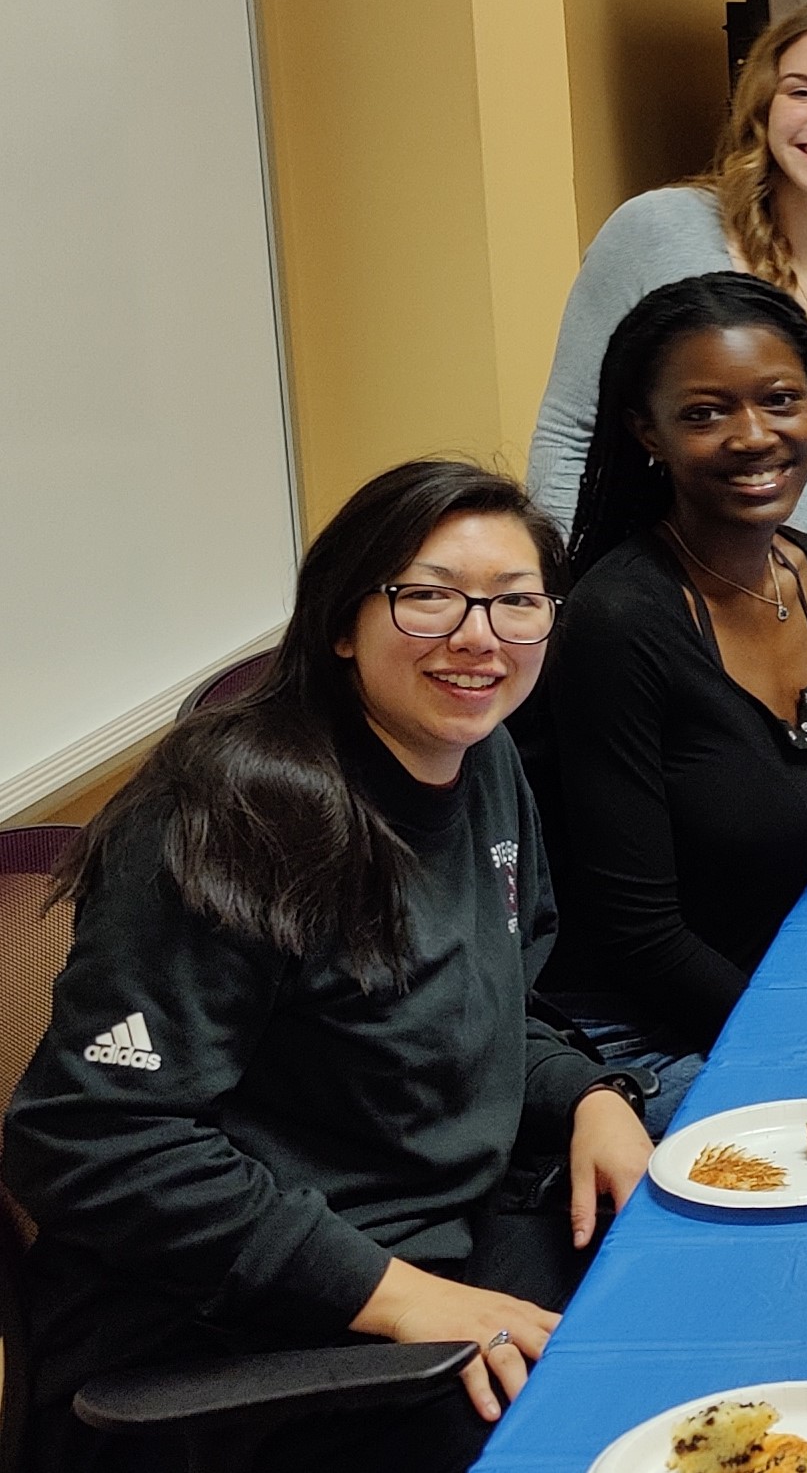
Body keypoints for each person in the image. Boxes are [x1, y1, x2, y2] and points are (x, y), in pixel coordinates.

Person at [3, 461, 654, 1473]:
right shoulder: (239, 810)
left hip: (436, 1235)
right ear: (344, 620)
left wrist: (590, 1094)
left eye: (518, 601)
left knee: (705, 1267)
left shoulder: (481, 763)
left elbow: (485, 1003)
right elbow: (91, 1139)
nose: (478, 635)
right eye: (429, 595)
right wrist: (401, 1297)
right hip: (240, 1335)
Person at [525, 0, 807, 790]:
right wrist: (563, 621)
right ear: (760, 106)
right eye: (801, 90)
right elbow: (568, 437)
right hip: (670, 660)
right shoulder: (659, 232)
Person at [515, 273, 807, 1084]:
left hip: (770, 981)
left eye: (780, 399)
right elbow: (638, 934)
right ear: (648, 431)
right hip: (643, 1034)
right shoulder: (621, 618)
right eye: (705, 412)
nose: (753, 435)